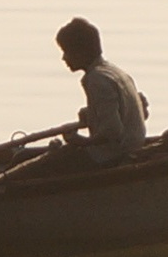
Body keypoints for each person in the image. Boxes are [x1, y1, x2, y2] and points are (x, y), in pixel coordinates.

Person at [56, 16, 147, 166]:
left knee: (48, 162)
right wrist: (92, 113)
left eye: (67, 52)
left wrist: (81, 141)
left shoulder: (96, 79)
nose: (64, 58)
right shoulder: (113, 71)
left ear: (82, 52)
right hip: (132, 146)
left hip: (113, 156)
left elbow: (112, 131)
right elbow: (117, 110)